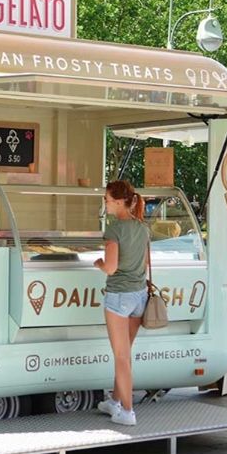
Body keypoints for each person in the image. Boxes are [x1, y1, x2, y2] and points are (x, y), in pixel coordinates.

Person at [94, 179, 150, 426]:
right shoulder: (142, 227)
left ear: (118, 202)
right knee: (125, 353)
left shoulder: (114, 229)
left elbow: (111, 267)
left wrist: (99, 264)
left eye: (106, 199)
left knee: (121, 357)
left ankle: (128, 412)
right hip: (139, 296)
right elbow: (144, 263)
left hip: (119, 297)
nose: (105, 203)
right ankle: (115, 401)